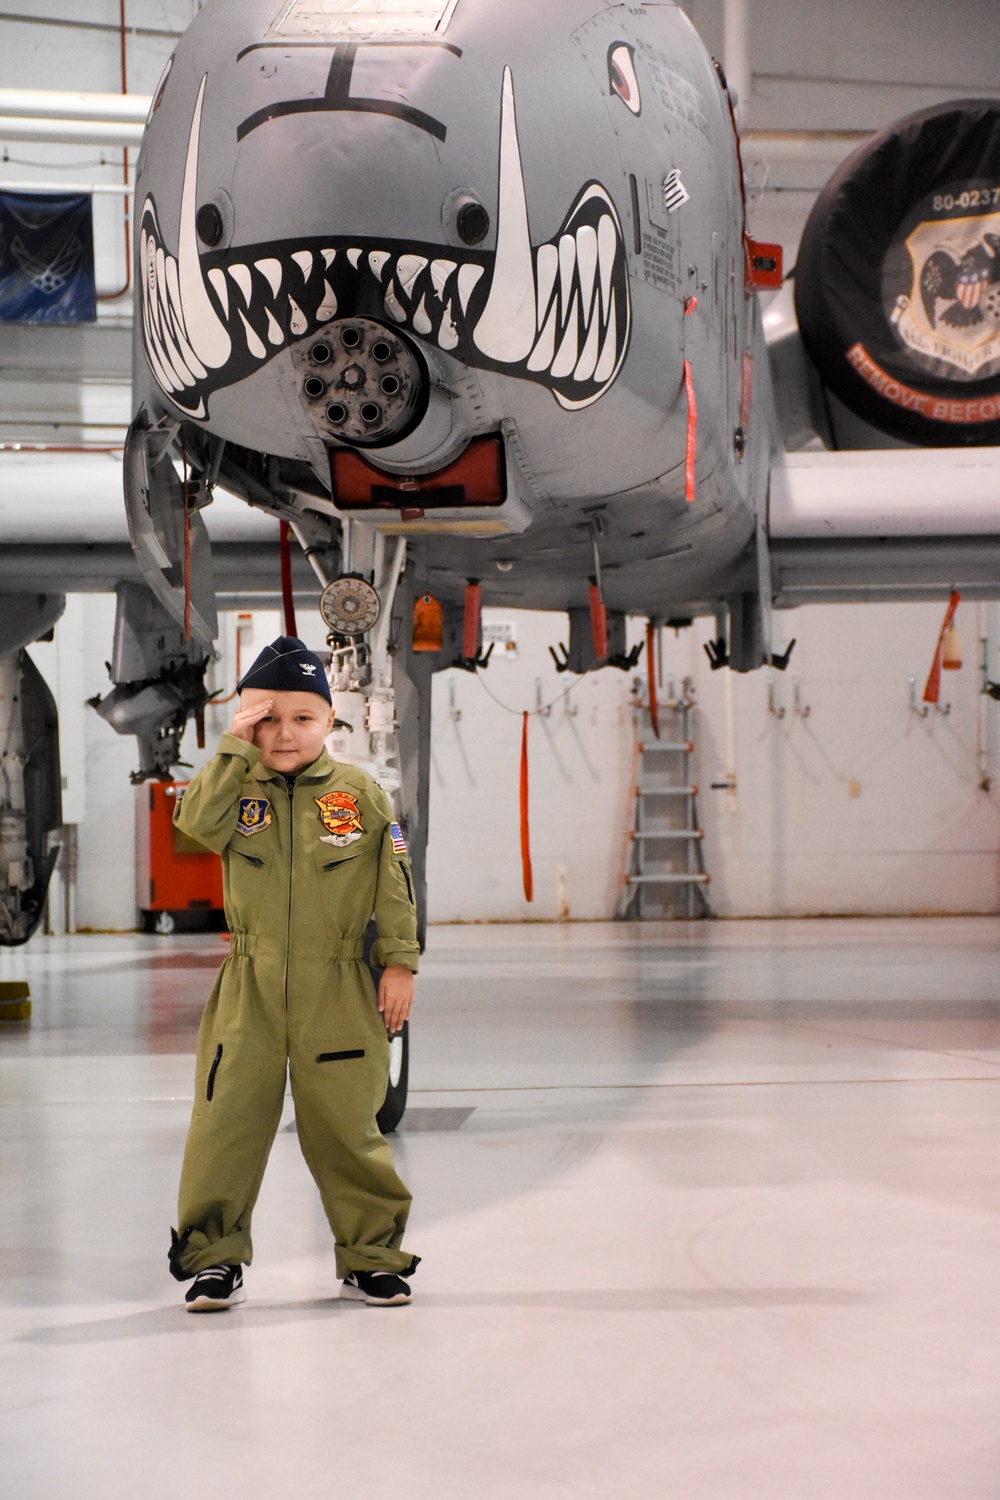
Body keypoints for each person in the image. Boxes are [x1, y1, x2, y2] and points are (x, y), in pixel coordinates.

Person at [167, 635, 420, 1310]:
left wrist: (399, 963)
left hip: (336, 987)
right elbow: (192, 823)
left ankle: (370, 1256)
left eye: (303, 718)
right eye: (268, 719)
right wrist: (232, 746)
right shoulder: (232, 787)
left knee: (347, 1128)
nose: (285, 734)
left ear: (330, 723)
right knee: (226, 1125)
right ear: (249, 722)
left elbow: (395, 882)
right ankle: (213, 1259)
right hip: (248, 989)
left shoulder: (361, 794)